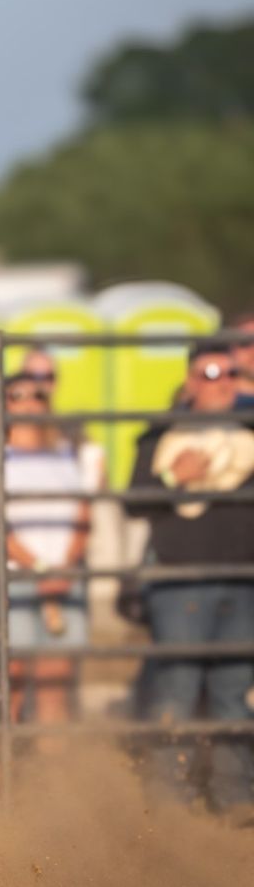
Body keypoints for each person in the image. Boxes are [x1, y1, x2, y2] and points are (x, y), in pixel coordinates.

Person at [126, 341, 254, 816]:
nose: (217, 383)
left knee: (234, 692)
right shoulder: (159, 434)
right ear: (189, 380)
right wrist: (173, 480)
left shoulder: (250, 426)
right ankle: (170, 797)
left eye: (227, 374)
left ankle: (234, 794)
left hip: (242, 579)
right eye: (207, 373)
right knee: (177, 687)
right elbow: (135, 501)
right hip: (179, 581)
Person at [0, 375, 90, 734]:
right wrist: (41, 569)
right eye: (17, 396)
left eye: (37, 395)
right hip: (12, 577)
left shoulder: (66, 454)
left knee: (53, 685)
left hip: (62, 577)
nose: (28, 403)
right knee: (6, 683)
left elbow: (84, 515)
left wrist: (65, 567)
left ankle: (51, 781)